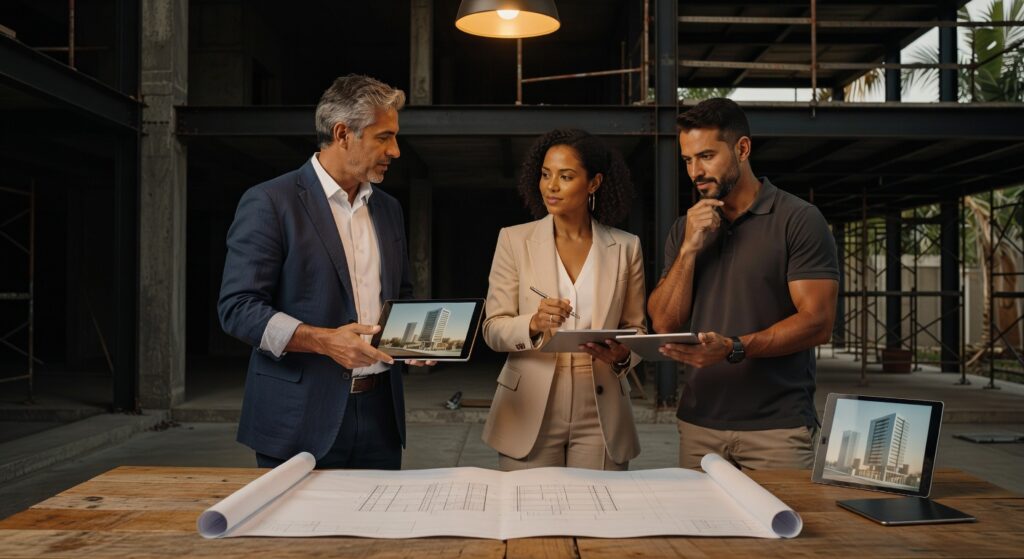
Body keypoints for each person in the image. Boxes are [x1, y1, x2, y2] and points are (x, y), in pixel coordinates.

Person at [218, 74, 429, 470]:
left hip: (381, 415)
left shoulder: (388, 209)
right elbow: (238, 308)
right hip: (298, 417)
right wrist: (324, 341)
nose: (396, 150)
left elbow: (399, 293)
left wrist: (415, 342)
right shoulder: (270, 202)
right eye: (384, 137)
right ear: (342, 134)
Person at [647, 98, 839, 470]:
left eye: (706, 156)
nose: (695, 172)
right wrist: (688, 249)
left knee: (783, 512)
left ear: (743, 149)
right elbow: (665, 323)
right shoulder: (685, 228)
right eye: (687, 160)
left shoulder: (799, 219)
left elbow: (818, 322)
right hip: (699, 426)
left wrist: (734, 347)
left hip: (777, 429)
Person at [481, 129, 647, 471]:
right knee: (529, 506)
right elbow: (493, 329)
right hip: (529, 402)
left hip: (600, 403)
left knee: (598, 506)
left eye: (566, 176)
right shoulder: (513, 241)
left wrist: (622, 356)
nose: (551, 186)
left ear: (594, 183)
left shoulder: (626, 247)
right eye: (546, 174)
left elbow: (637, 330)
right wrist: (532, 323)